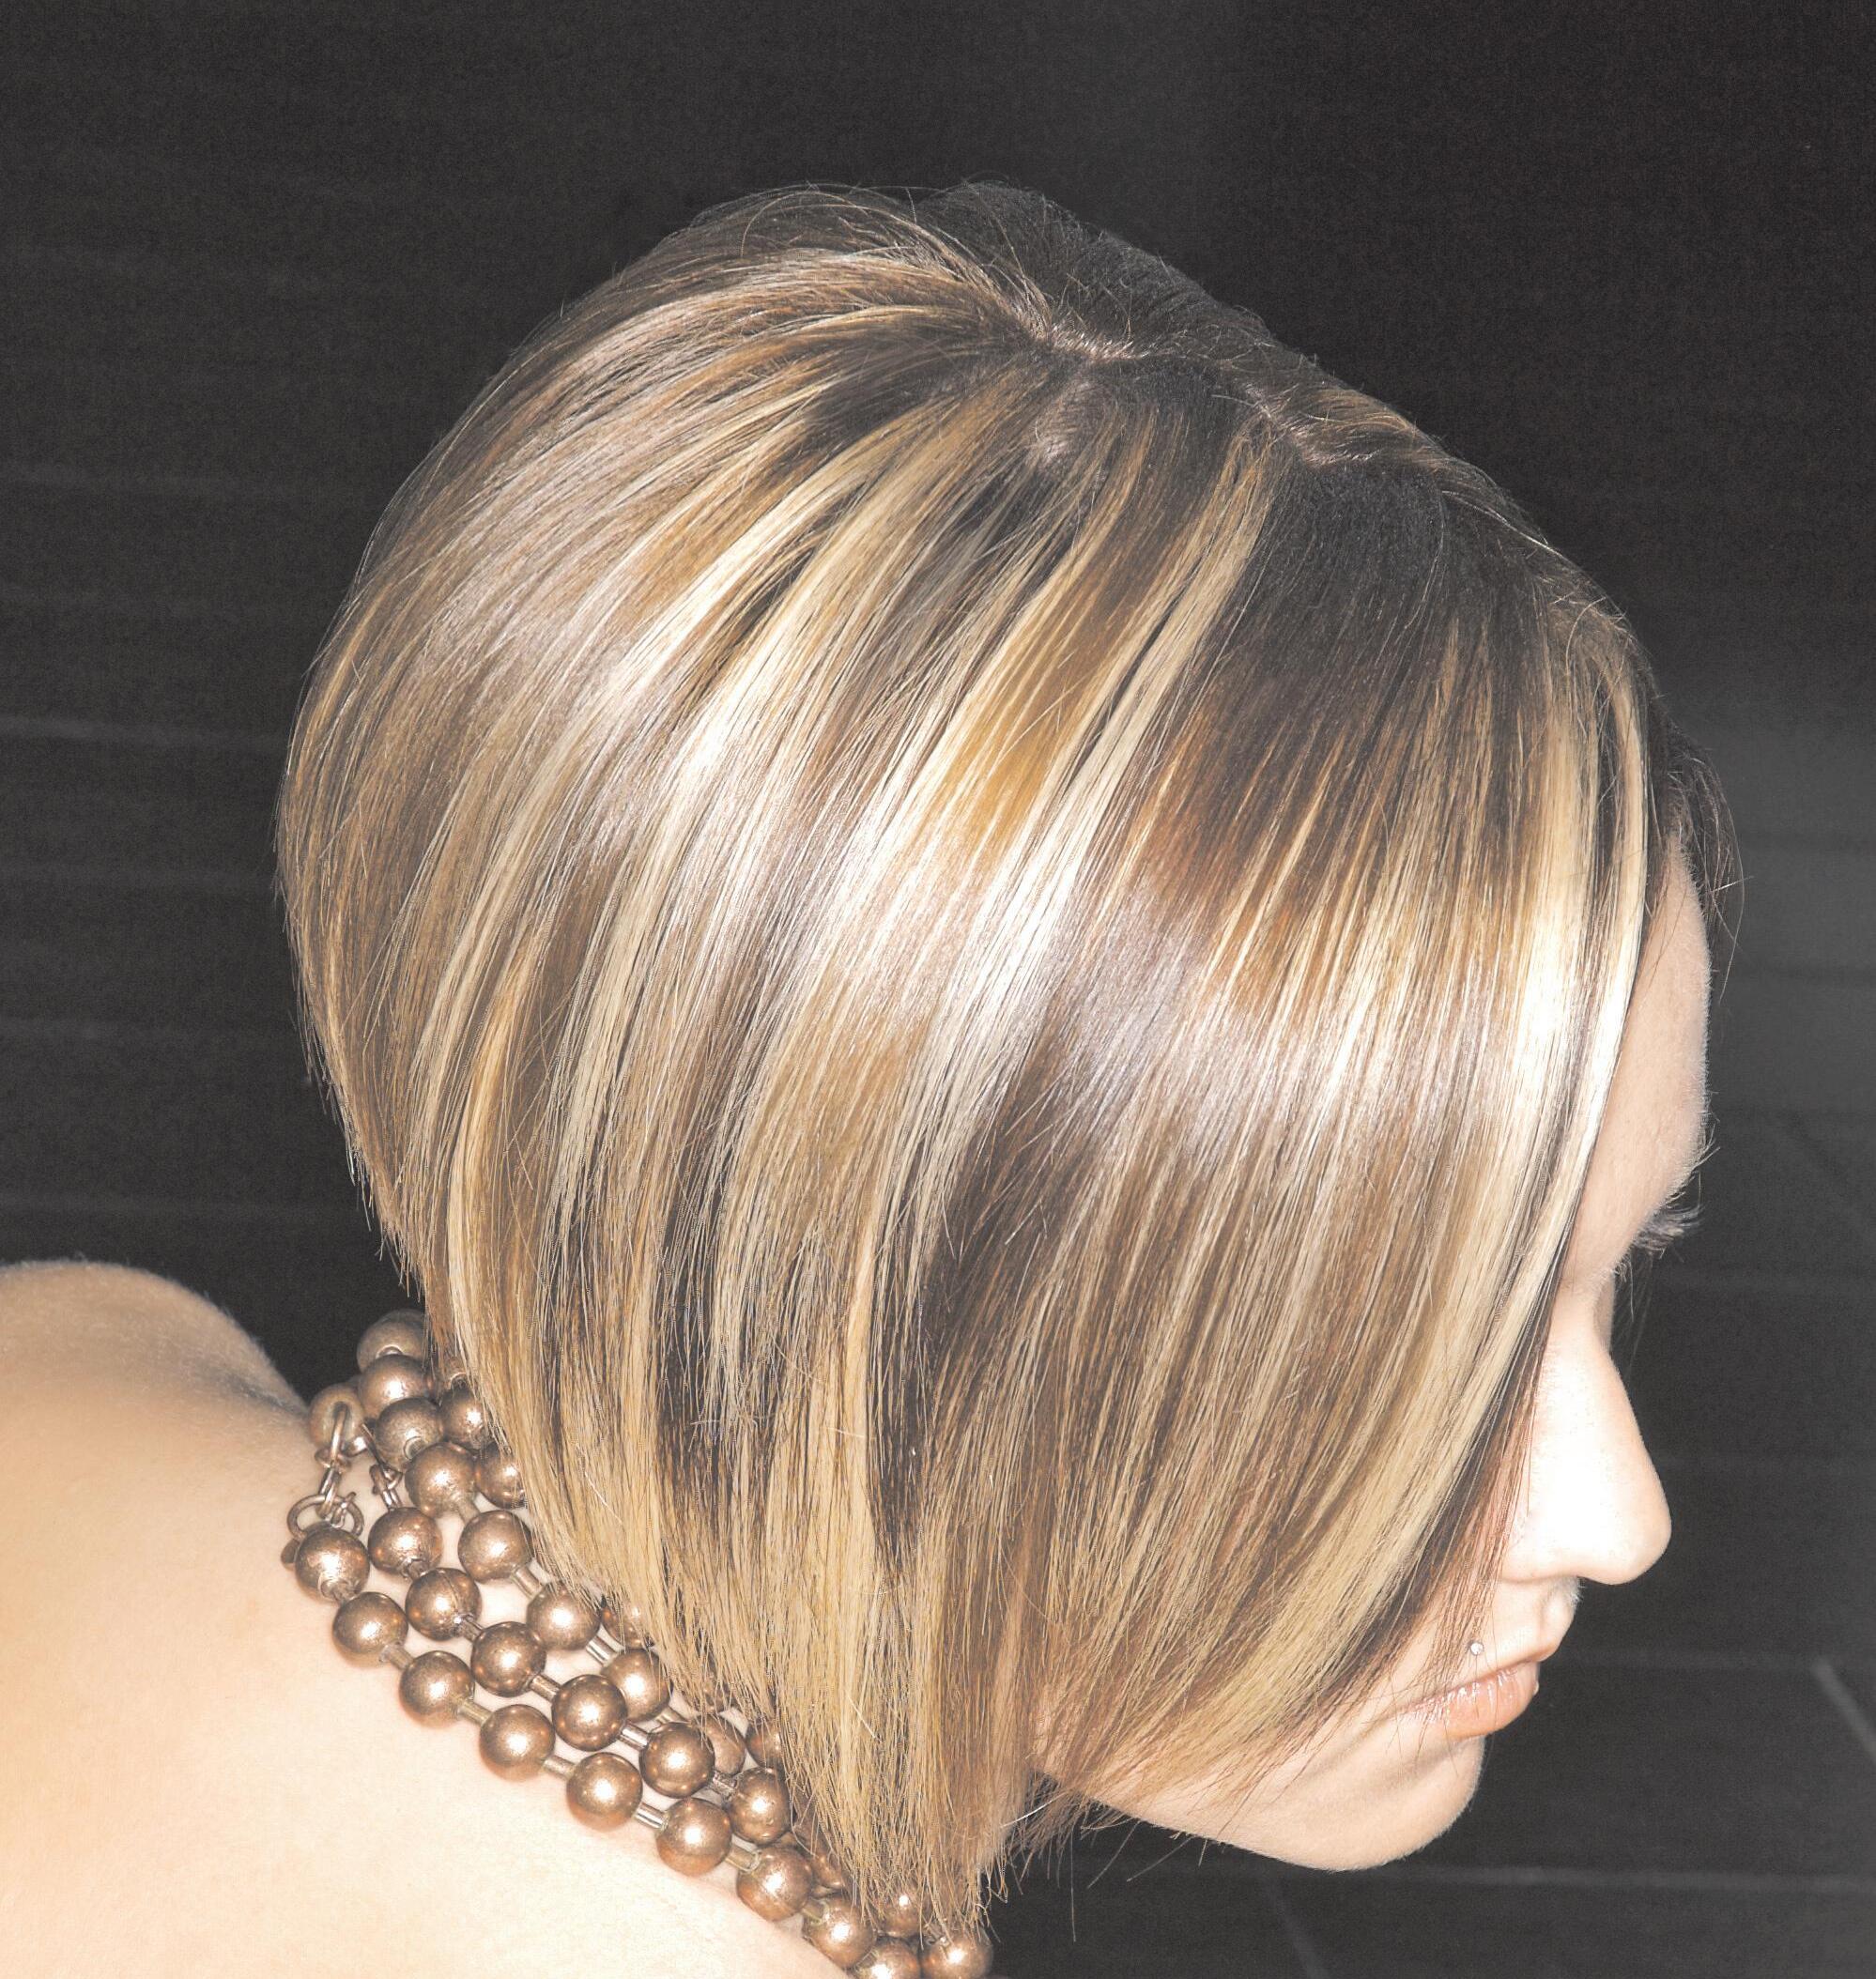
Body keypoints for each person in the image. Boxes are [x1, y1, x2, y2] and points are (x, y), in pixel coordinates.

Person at [0, 180, 1733, 1978]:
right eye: (1402, 1356)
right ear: (846, 1247)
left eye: (1630, 1257)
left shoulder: (74, 1355)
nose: (1618, 1519)